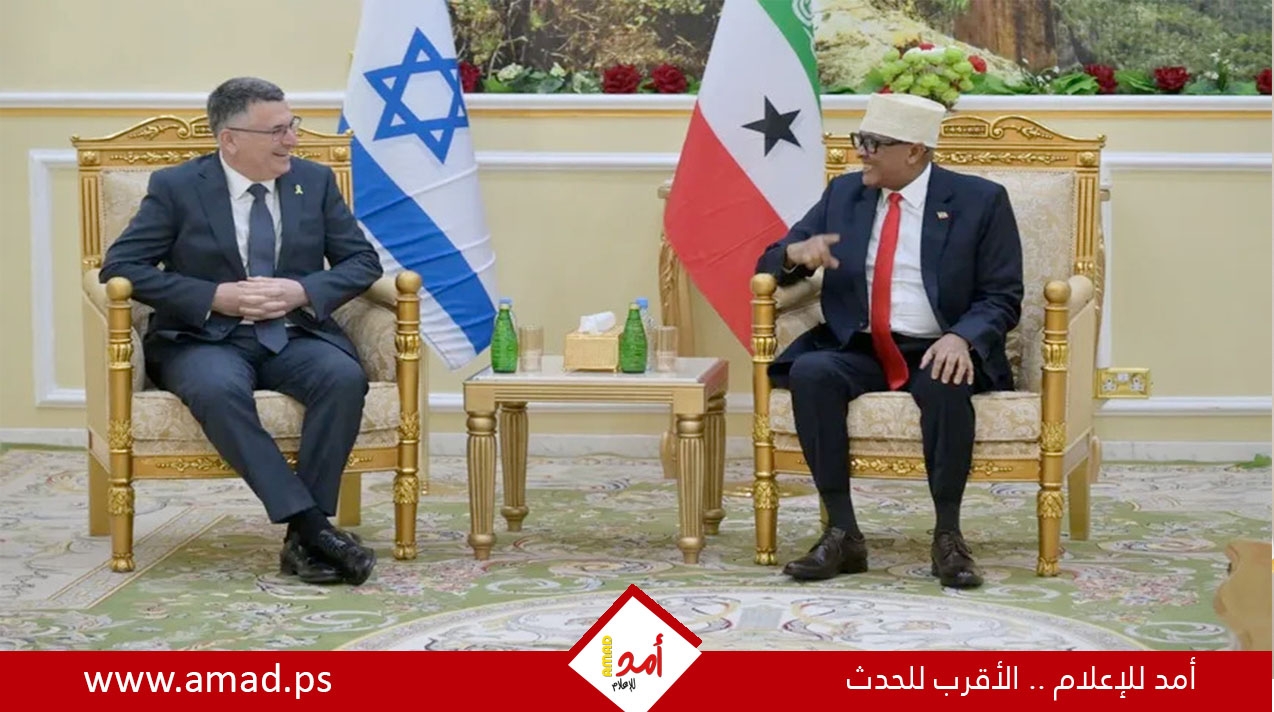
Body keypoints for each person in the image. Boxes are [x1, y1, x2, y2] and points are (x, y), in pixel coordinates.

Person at [100, 77, 382, 586]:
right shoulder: (177, 187)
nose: (292, 140)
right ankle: (314, 527)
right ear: (229, 139)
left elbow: (362, 262)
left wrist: (301, 290)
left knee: (342, 378)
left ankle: (303, 542)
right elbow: (121, 267)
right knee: (216, 389)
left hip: (294, 332)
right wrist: (212, 296)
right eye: (276, 131)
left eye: (291, 125)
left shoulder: (314, 182)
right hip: (204, 338)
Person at [755, 93, 1024, 588]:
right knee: (812, 372)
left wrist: (962, 337)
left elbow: (1003, 296)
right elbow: (772, 260)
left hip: (936, 346)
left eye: (874, 143)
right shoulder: (844, 195)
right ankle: (842, 533)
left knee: (947, 380)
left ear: (915, 151)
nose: (861, 152)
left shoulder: (980, 201)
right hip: (860, 347)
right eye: (860, 140)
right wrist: (795, 254)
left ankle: (948, 537)